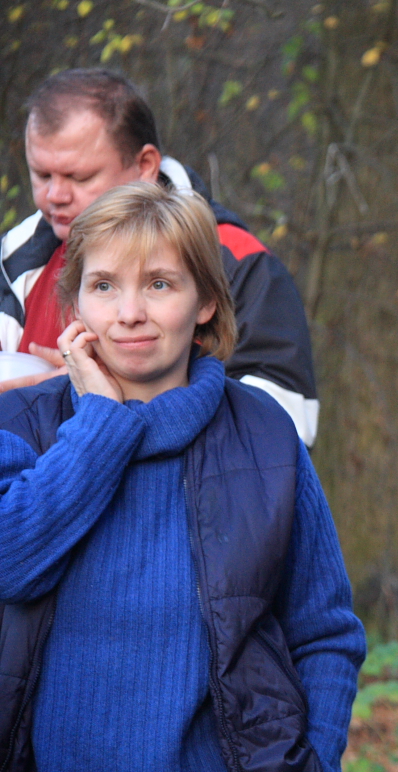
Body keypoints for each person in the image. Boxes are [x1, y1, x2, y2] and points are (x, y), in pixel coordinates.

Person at [0, 182, 365, 772]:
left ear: (206, 302)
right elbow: (11, 562)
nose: (129, 313)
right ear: (77, 304)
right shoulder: (18, 423)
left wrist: (314, 762)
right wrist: (100, 423)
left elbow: (324, 633)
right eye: (104, 286)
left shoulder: (263, 434)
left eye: (159, 285)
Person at [1, 68, 319, 445]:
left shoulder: (237, 260)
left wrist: (108, 395)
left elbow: (287, 428)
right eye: (42, 175)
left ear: (146, 166)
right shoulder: (17, 258)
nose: (55, 196)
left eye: (79, 177)